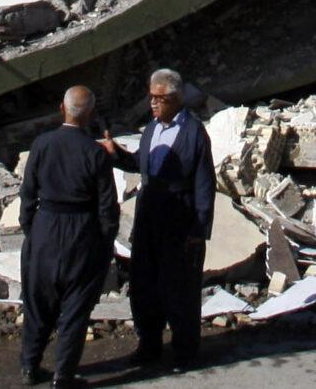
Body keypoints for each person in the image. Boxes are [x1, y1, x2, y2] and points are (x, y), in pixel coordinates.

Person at [102, 68, 215, 373]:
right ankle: (148, 344)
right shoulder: (152, 128)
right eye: (151, 97)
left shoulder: (193, 133)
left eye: (159, 98)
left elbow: (205, 184)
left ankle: (185, 351)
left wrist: (199, 229)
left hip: (178, 223)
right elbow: (142, 163)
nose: (153, 104)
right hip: (148, 220)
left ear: (176, 98)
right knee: (144, 284)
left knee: (179, 288)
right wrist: (117, 154)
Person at [19, 85, 120, 387]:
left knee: (37, 303)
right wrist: (104, 243)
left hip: (45, 227)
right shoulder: (95, 153)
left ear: (61, 109)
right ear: (90, 115)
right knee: (76, 308)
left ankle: (30, 365)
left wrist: (32, 231)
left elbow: (27, 194)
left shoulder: (42, 144)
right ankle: (64, 374)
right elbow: (107, 207)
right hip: (82, 232)